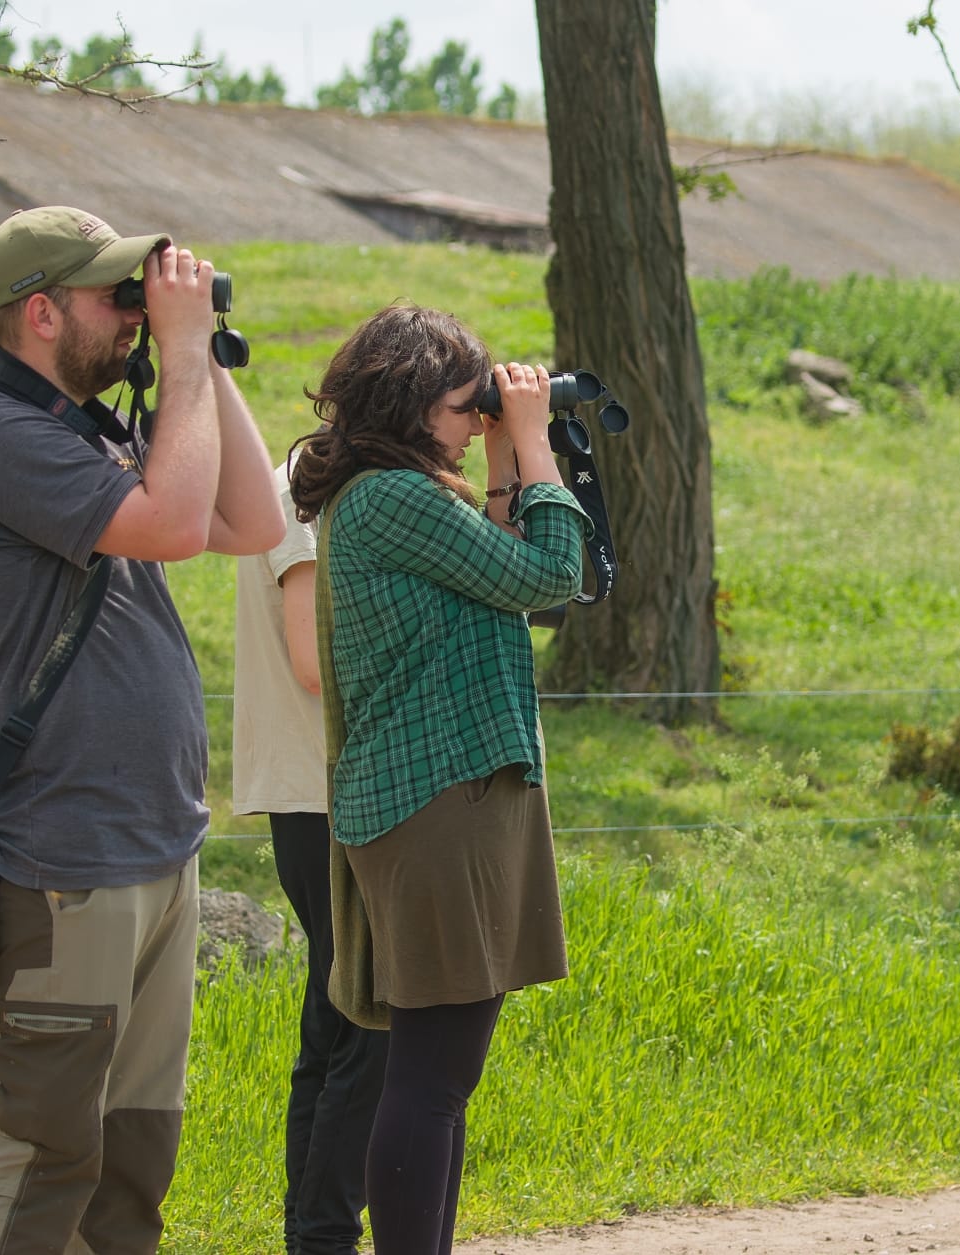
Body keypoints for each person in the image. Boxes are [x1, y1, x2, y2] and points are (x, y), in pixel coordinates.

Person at [0, 204, 283, 1255]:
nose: (132, 312)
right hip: (67, 858)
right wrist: (171, 352)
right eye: (112, 295)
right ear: (39, 313)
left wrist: (199, 356)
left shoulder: (96, 430)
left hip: (156, 849)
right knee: (40, 1153)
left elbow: (249, 523)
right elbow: (174, 526)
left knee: (129, 1165)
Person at [287, 303, 589, 1255]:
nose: (477, 419)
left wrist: (504, 459)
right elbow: (550, 575)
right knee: (427, 1080)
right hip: (436, 804)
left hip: (448, 797)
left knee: (440, 1081)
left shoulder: (402, 493)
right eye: (468, 405)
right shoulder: (392, 498)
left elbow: (501, 571)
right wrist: (537, 443)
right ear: (413, 402)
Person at [233, 450, 389, 1255]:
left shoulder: (318, 476)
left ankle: (313, 1230)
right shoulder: (311, 486)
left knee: (336, 1020)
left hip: (318, 787)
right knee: (369, 1020)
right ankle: (325, 1232)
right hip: (320, 789)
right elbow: (310, 658)